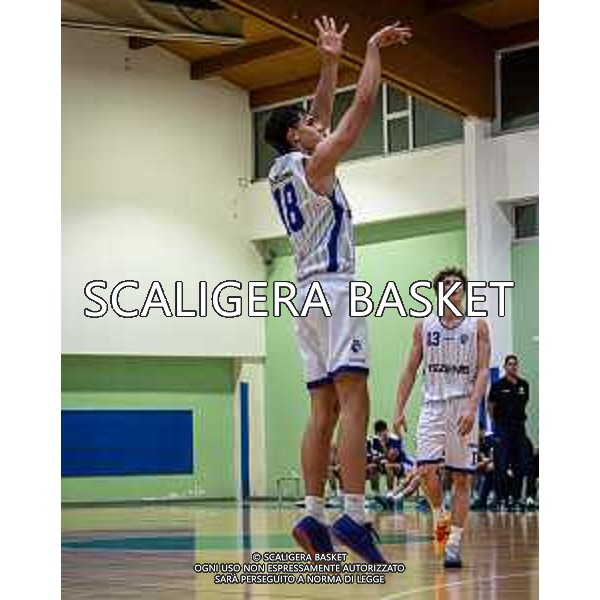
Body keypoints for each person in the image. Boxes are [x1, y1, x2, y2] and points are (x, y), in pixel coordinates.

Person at [264, 16, 412, 563]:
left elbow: (322, 116)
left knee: (321, 408)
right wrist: (370, 51)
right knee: (355, 400)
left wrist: (329, 62)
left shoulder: (285, 170)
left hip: (303, 294)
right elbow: (360, 108)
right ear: (294, 136)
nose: (317, 122)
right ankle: (354, 512)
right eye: (307, 122)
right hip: (334, 287)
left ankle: (311, 513)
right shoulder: (318, 165)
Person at [394, 267, 491, 568]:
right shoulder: (424, 326)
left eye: (456, 284)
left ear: (463, 292)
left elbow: (483, 371)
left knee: (462, 478)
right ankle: (439, 515)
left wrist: (473, 407)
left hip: (463, 405)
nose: (451, 287)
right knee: (425, 470)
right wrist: (398, 408)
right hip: (432, 405)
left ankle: (454, 545)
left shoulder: (478, 326)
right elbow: (410, 369)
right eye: (445, 284)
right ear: (438, 292)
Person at [487, 354, 533, 511]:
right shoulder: (498, 385)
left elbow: (524, 404)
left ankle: (516, 498)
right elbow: (490, 406)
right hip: (503, 429)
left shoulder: (524, 385)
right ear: (505, 367)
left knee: (520, 464)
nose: (513, 366)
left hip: (519, 429)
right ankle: (501, 498)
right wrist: (497, 424)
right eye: (510, 364)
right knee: (501, 464)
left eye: (515, 364)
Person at [372, 419, 414, 503]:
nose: (382, 435)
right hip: (387, 464)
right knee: (372, 468)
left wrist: (383, 445)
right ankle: (376, 494)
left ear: (387, 430)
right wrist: (378, 459)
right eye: (379, 434)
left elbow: (392, 458)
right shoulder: (375, 440)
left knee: (388, 466)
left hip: (404, 463)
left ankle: (390, 493)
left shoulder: (394, 439)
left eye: (383, 432)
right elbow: (374, 457)